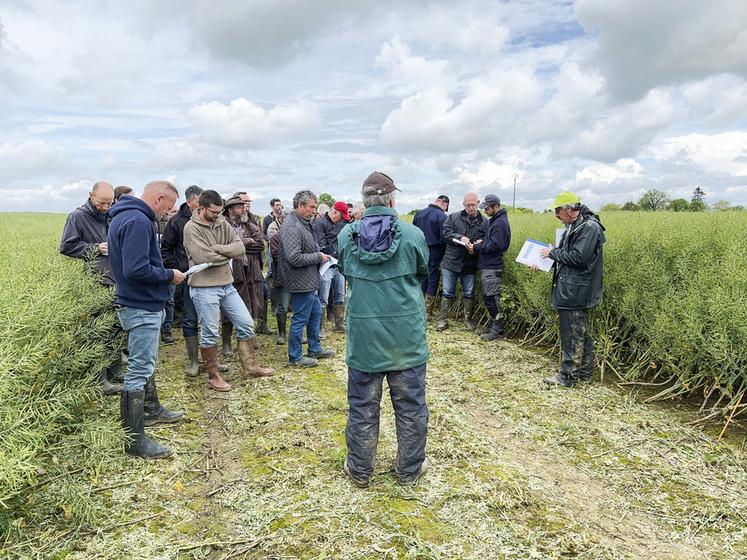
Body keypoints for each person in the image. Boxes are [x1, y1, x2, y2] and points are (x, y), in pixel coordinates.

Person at [338, 171, 430, 488]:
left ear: (365, 201)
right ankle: (409, 470)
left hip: (364, 339)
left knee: (363, 407)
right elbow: (422, 272)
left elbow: (345, 270)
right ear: (392, 200)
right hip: (406, 338)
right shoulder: (413, 235)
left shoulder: (347, 237)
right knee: (411, 407)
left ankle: (360, 471)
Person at [108, 180, 186, 459]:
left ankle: (152, 410)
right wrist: (169, 275)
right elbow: (136, 268)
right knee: (139, 368)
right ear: (159, 198)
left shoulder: (124, 217)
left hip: (139, 302)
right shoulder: (138, 221)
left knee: (146, 360)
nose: (168, 213)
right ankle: (134, 441)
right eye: (168, 207)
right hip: (140, 305)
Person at [183, 190, 274, 392]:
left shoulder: (221, 222)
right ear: (202, 207)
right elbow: (203, 258)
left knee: (246, 323)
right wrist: (225, 253)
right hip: (204, 287)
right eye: (214, 212)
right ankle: (213, 375)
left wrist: (219, 249)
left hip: (226, 284)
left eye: (219, 211)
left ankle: (250, 366)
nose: (217, 215)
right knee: (210, 332)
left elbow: (239, 248)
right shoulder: (191, 228)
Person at [537, 192, 606, 387]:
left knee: (572, 334)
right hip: (572, 287)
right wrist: (546, 259)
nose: (556, 215)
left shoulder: (589, 227)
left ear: (568, 209)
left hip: (577, 290)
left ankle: (567, 376)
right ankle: (584, 374)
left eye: (557, 211)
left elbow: (578, 258)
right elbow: (565, 257)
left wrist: (552, 252)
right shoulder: (574, 226)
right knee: (580, 332)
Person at [60, 181, 122, 395]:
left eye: (109, 202)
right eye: (102, 202)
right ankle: (99, 379)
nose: (106, 207)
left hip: (115, 279)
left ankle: (115, 371)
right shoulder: (77, 216)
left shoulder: (111, 215)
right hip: (96, 281)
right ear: (91, 196)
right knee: (98, 332)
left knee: (115, 328)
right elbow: (66, 246)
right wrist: (96, 248)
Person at [278, 190, 335, 367]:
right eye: (311, 207)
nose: (314, 210)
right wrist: (318, 257)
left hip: (309, 280)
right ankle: (295, 357)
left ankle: (315, 349)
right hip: (300, 281)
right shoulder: (292, 227)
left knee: (315, 313)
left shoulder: (303, 223)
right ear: (300, 206)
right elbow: (293, 257)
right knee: (300, 318)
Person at [160, 184, 203, 376]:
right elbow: (165, 249)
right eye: (198, 201)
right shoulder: (176, 222)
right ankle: (194, 362)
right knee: (190, 318)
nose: (202, 205)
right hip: (188, 277)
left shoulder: (208, 218)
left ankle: (211, 359)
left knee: (209, 320)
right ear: (189, 201)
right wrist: (178, 269)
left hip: (209, 277)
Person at [436, 192, 487, 331]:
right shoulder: (453, 217)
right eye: (468, 205)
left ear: (478, 203)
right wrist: (460, 237)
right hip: (451, 262)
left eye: (473, 204)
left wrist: (479, 244)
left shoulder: (484, 222)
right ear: (464, 205)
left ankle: (468, 321)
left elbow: (487, 240)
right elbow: (445, 234)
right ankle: (442, 321)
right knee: (447, 292)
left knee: (469, 293)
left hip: (470, 263)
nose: (471, 207)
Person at [221, 196, 265, 356]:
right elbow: (223, 246)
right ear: (231, 209)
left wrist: (239, 247)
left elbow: (260, 245)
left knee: (250, 305)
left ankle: (245, 340)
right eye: (240, 207)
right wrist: (244, 242)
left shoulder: (249, 225)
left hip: (250, 271)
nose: (244, 209)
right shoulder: (222, 225)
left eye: (244, 206)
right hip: (231, 273)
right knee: (228, 309)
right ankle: (226, 343)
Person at [471, 194, 511, 340]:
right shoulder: (496, 220)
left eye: (487, 208)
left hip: (492, 266)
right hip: (488, 265)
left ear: (496, 206)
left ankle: (498, 330)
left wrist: (477, 247)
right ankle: (494, 326)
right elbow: (492, 241)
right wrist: (483, 241)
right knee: (489, 297)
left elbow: (496, 246)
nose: (485, 211)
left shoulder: (500, 222)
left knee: (492, 299)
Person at [234, 191, 273, 335]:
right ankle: (245, 332)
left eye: (248, 202)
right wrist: (241, 246)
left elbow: (260, 244)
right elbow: (231, 245)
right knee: (243, 298)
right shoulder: (230, 221)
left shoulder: (255, 219)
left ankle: (261, 324)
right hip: (237, 266)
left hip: (255, 264)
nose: (247, 205)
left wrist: (242, 245)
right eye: (244, 202)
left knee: (263, 292)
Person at [313, 200, 351, 334]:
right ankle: (320, 327)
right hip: (325, 266)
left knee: (340, 295)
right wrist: (335, 251)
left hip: (338, 266)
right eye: (341, 216)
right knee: (323, 297)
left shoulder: (338, 224)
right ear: (335, 212)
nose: (341, 220)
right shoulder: (320, 224)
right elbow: (320, 246)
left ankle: (339, 324)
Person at [412, 195, 449, 318]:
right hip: (435, 251)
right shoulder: (442, 216)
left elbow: (413, 233)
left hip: (419, 250)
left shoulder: (419, 214)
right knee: (432, 279)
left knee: (421, 277)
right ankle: (427, 312)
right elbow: (444, 238)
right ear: (445, 203)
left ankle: (418, 308)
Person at [269, 209, 291, 344]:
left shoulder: (296, 235)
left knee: (296, 306)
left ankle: (297, 334)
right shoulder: (275, 237)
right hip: (282, 276)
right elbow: (277, 256)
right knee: (282, 305)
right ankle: (282, 334)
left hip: (297, 276)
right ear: (281, 220)